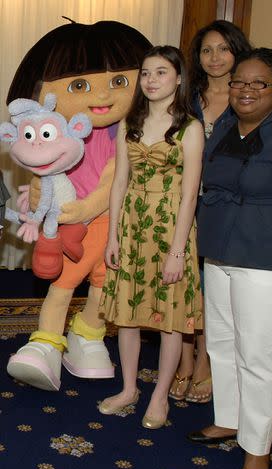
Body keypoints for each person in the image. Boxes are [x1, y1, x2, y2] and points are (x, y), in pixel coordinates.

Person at [188, 47, 272, 469]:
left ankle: (258, 450)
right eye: (238, 82)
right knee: (222, 343)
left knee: (259, 355)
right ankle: (229, 419)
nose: (245, 90)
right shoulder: (226, 124)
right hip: (223, 250)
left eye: (257, 83)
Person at [5, 20, 152, 391]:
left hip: (112, 222)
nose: (103, 95)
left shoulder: (126, 134)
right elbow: (43, 171)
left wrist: (85, 210)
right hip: (72, 228)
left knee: (104, 284)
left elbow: (113, 180)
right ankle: (46, 343)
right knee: (62, 283)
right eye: (81, 85)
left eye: (119, 82)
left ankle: (88, 335)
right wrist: (40, 198)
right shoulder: (60, 131)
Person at [99, 45, 204, 428]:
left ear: (178, 78)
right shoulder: (130, 123)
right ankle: (129, 389)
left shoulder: (190, 127)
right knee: (127, 315)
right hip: (131, 225)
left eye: (161, 72)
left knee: (170, 319)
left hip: (170, 228)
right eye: (145, 73)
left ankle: (160, 396)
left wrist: (177, 251)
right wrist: (112, 236)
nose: (151, 80)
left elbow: (191, 193)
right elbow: (118, 183)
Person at [169, 20, 251, 403]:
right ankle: (183, 361)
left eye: (223, 48)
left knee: (210, 288)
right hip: (180, 202)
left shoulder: (248, 99)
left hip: (223, 206)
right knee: (183, 283)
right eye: (206, 50)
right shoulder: (186, 98)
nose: (215, 57)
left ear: (237, 51)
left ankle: (205, 363)